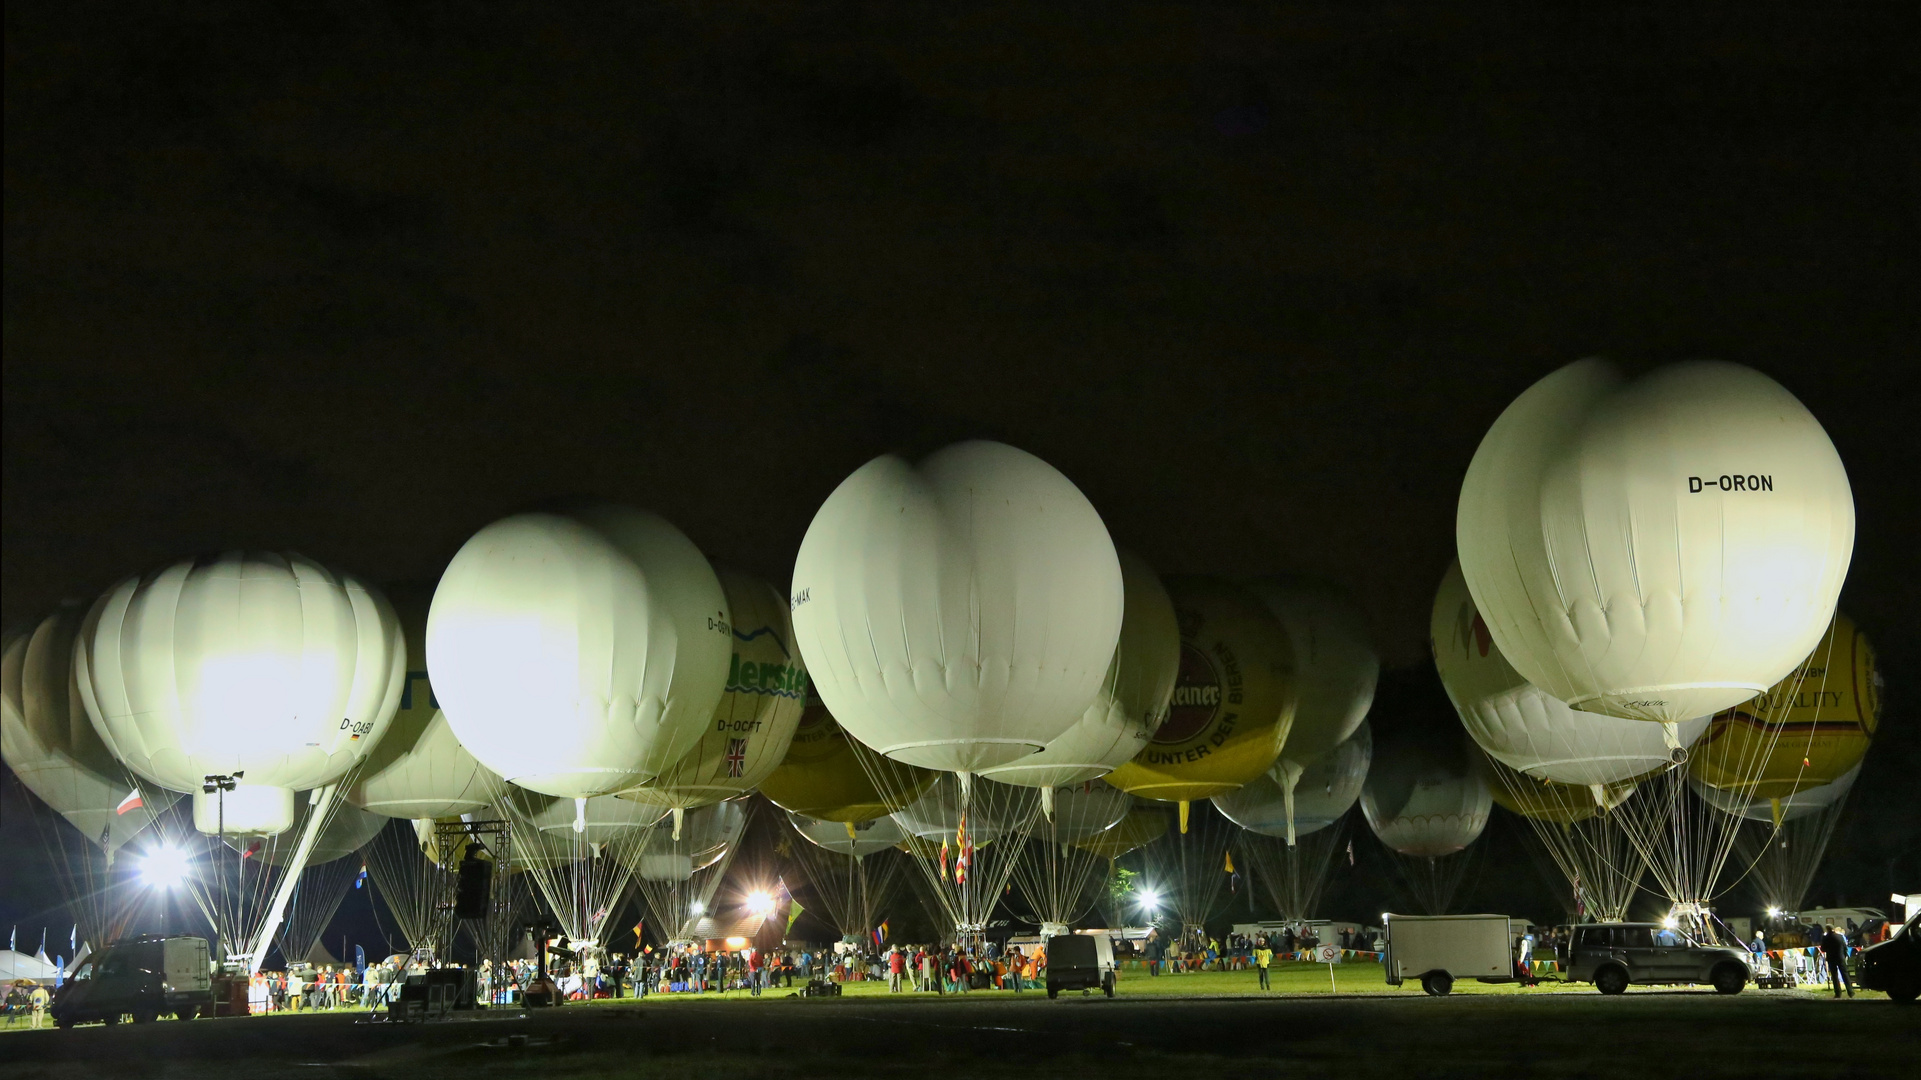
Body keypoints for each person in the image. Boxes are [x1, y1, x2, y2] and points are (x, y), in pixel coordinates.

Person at [1820, 925, 1854, 999]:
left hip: (1831, 958)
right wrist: (1844, 955)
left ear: (1827, 929)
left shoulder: (1826, 938)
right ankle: (1850, 991)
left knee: (1834, 976)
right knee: (1845, 974)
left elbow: (1823, 949)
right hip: (1840, 957)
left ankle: (1838, 993)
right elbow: (1845, 947)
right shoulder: (1840, 936)